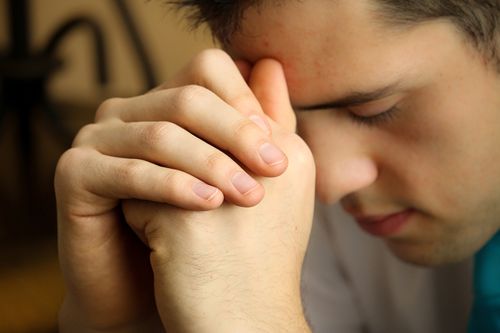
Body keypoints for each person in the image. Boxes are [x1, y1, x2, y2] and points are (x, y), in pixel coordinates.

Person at [54, 0, 500, 332]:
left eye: (374, 110)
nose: (326, 184)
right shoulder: (281, 176)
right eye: (290, 118)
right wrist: (129, 321)